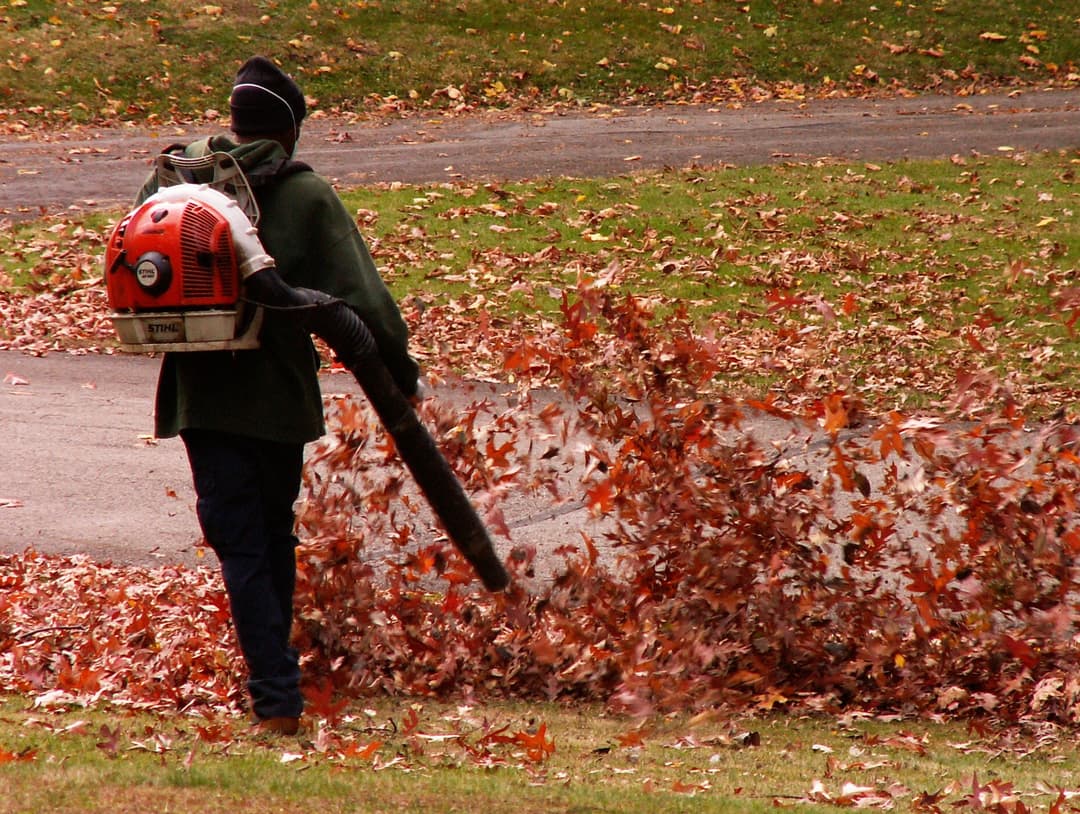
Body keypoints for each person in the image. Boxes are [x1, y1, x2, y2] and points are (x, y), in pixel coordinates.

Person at [134, 56, 420, 735]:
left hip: (199, 393)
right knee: (267, 537)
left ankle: (274, 690)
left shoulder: (174, 180)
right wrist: (400, 378)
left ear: (236, 119)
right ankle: (277, 696)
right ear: (288, 132)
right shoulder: (304, 193)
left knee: (242, 544)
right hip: (277, 398)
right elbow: (366, 303)